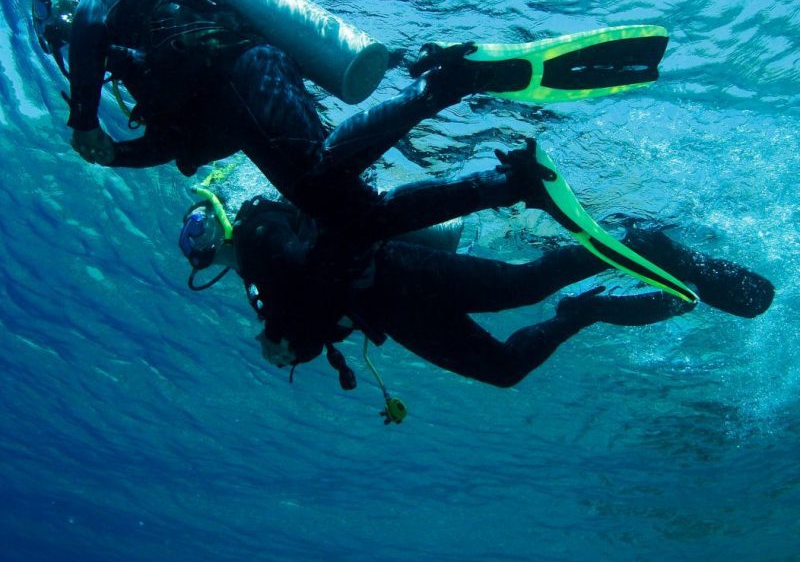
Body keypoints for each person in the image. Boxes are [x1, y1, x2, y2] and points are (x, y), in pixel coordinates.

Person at [31, 0, 669, 242]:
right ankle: (512, 183)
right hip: (239, 116)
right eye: (51, 24)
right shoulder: (126, 66)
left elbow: (88, 17)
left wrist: (83, 116)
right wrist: (117, 153)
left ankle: (455, 79)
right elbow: (174, 141)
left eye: (57, 3)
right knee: (350, 219)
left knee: (315, 174)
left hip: (247, 67)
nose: (61, 24)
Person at [177, 147, 775, 397]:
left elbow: (305, 260)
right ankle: (586, 309)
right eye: (193, 238)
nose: (201, 232)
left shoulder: (258, 224)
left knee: (525, 284)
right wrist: (287, 344)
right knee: (505, 370)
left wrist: (282, 329)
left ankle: (636, 241)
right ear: (202, 264)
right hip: (393, 313)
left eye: (200, 220)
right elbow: (311, 334)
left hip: (399, 271)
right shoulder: (256, 288)